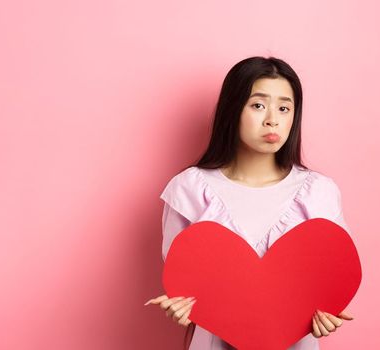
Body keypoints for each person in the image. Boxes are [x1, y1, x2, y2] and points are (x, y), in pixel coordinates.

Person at [144, 56, 355, 349]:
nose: (273, 119)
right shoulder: (190, 190)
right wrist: (182, 307)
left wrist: (325, 314)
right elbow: (183, 281)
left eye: (284, 108)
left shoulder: (318, 192)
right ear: (233, 110)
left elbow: (332, 277)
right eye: (258, 105)